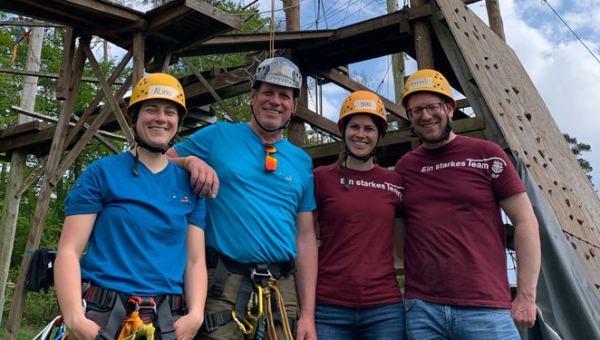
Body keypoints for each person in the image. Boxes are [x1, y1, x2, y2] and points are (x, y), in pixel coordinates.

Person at [166, 56, 318, 340]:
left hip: (281, 289)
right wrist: (188, 161)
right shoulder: (217, 136)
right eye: (267, 92)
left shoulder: (301, 161)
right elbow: (155, 164)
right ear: (252, 97)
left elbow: (306, 237)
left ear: (294, 106)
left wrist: (308, 315)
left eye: (284, 95)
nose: (275, 101)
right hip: (223, 282)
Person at [54, 73, 207, 340]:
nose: (161, 118)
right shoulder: (102, 173)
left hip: (166, 319)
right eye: (151, 109)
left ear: (178, 122)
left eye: (170, 112)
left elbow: (195, 260)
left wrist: (196, 314)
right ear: (134, 118)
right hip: (102, 314)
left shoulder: (190, 186)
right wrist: (74, 318)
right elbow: (68, 250)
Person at [395, 69, 541, 339]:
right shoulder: (405, 167)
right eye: (416, 111)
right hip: (423, 310)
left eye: (432, 107)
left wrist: (526, 296)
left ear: (450, 108)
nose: (425, 116)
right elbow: (400, 238)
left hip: (485, 309)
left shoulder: (486, 155)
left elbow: (525, 220)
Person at [313, 90, 406, 339]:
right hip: (328, 305)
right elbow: (306, 238)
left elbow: (400, 248)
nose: (361, 135)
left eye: (369, 128)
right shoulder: (321, 178)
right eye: (354, 126)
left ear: (379, 135)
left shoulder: (394, 181)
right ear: (343, 130)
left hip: (384, 308)